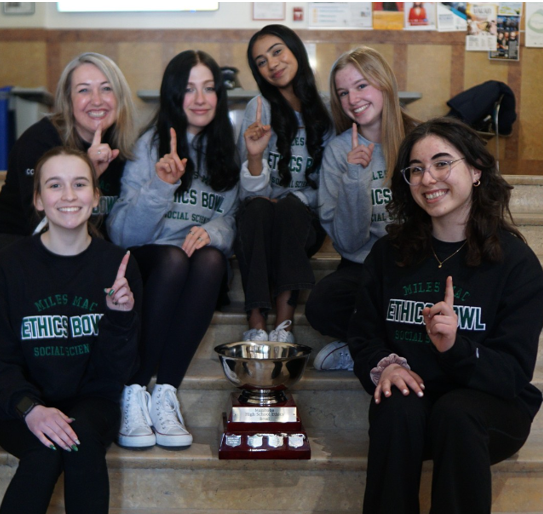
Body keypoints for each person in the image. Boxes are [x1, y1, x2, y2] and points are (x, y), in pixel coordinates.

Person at [348, 117, 543, 514]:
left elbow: (512, 373)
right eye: (416, 169)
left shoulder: (515, 264)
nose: (428, 178)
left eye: (441, 163)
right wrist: (385, 367)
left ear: (475, 171)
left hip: (488, 408)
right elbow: (364, 334)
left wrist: (457, 346)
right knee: (396, 403)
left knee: (457, 413)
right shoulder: (389, 254)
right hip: (418, 405)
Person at [0, 52, 137, 447]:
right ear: (66, 99)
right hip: (7, 247)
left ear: (120, 96)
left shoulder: (125, 148)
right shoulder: (40, 141)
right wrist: (88, 174)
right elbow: (44, 232)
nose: (96, 99)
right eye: (84, 90)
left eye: (106, 88)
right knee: (36, 277)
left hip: (75, 257)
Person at [0, 146, 141, 514]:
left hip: (91, 400)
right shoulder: (9, 266)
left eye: (80, 184)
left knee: (79, 442)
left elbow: (117, 373)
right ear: (37, 199)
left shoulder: (118, 268)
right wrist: (29, 408)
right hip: (18, 402)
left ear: (96, 197)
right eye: (54, 185)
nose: (68, 195)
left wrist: (119, 317)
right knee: (44, 454)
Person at [107, 50, 240, 450]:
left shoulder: (224, 150)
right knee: (172, 258)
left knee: (212, 258)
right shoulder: (150, 146)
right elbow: (122, 234)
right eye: (188, 89)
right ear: (172, 95)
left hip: (197, 270)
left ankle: (165, 391)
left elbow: (231, 218)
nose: (200, 99)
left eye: (209, 88)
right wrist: (162, 185)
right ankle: (133, 390)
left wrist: (213, 232)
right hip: (153, 264)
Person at [306, 47, 417, 371]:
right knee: (322, 304)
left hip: (416, 263)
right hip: (363, 265)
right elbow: (349, 243)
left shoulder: (421, 138)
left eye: (361, 85)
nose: (352, 99)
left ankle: (362, 347)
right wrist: (355, 178)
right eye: (343, 92)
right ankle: (374, 347)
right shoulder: (339, 151)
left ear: (383, 84)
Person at [235, 24, 333, 344]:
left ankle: (284, 325)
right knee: (258, 209)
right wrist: (254, 157)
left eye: (277, 51)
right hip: (261, 220)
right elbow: (248, 194)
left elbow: (330, 188)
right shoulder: (258, 109)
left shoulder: (327, 111)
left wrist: (297, 199)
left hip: (304, 221)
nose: (272, 64)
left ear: (295, 51)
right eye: (261, 61)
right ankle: (256, 322)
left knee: (290, 208)